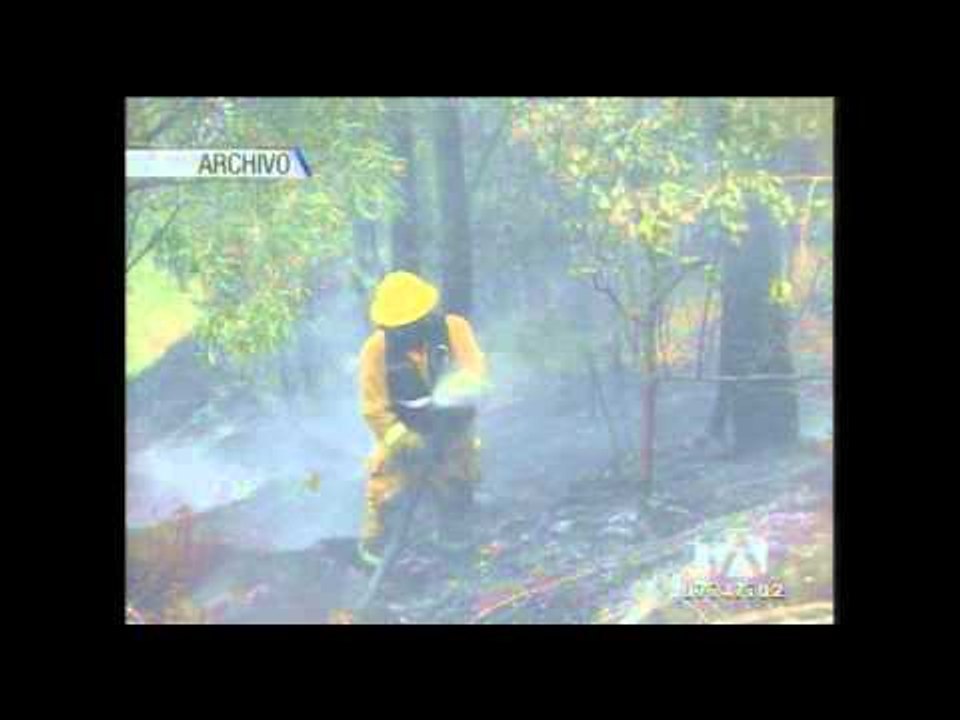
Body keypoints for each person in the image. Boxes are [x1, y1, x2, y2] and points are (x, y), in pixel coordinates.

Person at [356, 271, 489, 568]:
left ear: (426, 315)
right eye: (397, 327)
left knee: (456, 480)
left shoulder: (454, 330)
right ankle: (377, 553)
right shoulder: (376, 350)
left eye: (411, 324)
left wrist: (457, 399)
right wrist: (403, 440)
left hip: (452, 431)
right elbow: (374, 408)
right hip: (405, 432)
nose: (404, 332)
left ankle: (455, 541)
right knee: (385, 489)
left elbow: (475, 372)